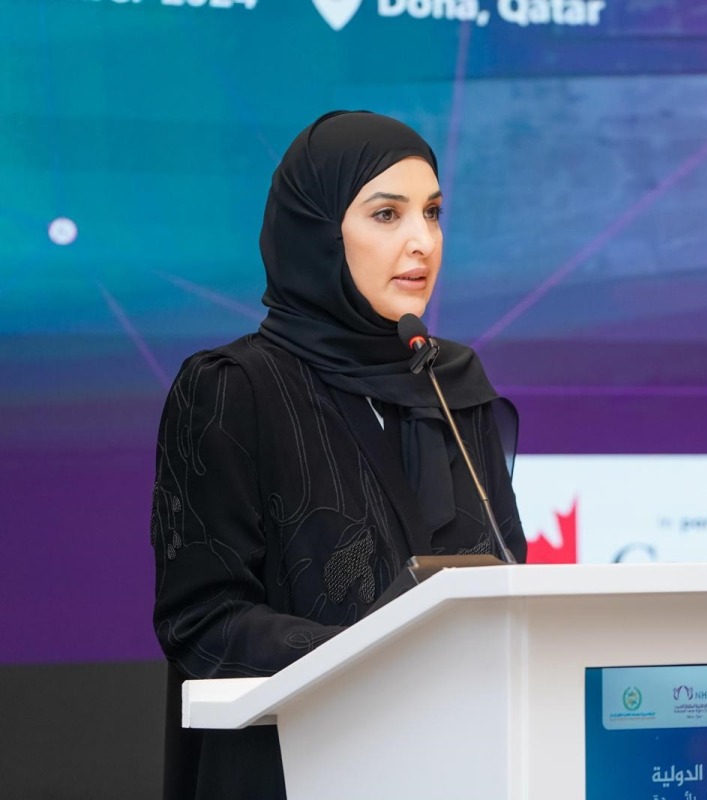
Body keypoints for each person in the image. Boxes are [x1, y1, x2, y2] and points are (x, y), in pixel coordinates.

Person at [149, 111, 527, 800]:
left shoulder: (452, 386)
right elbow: (203, 621)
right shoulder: (235, 390)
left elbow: (504, 580)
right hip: (291, 768)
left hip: (458, 763)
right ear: (319, 233)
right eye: (387, 214)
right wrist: (370, 661)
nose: (422, 242)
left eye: (434, 213)